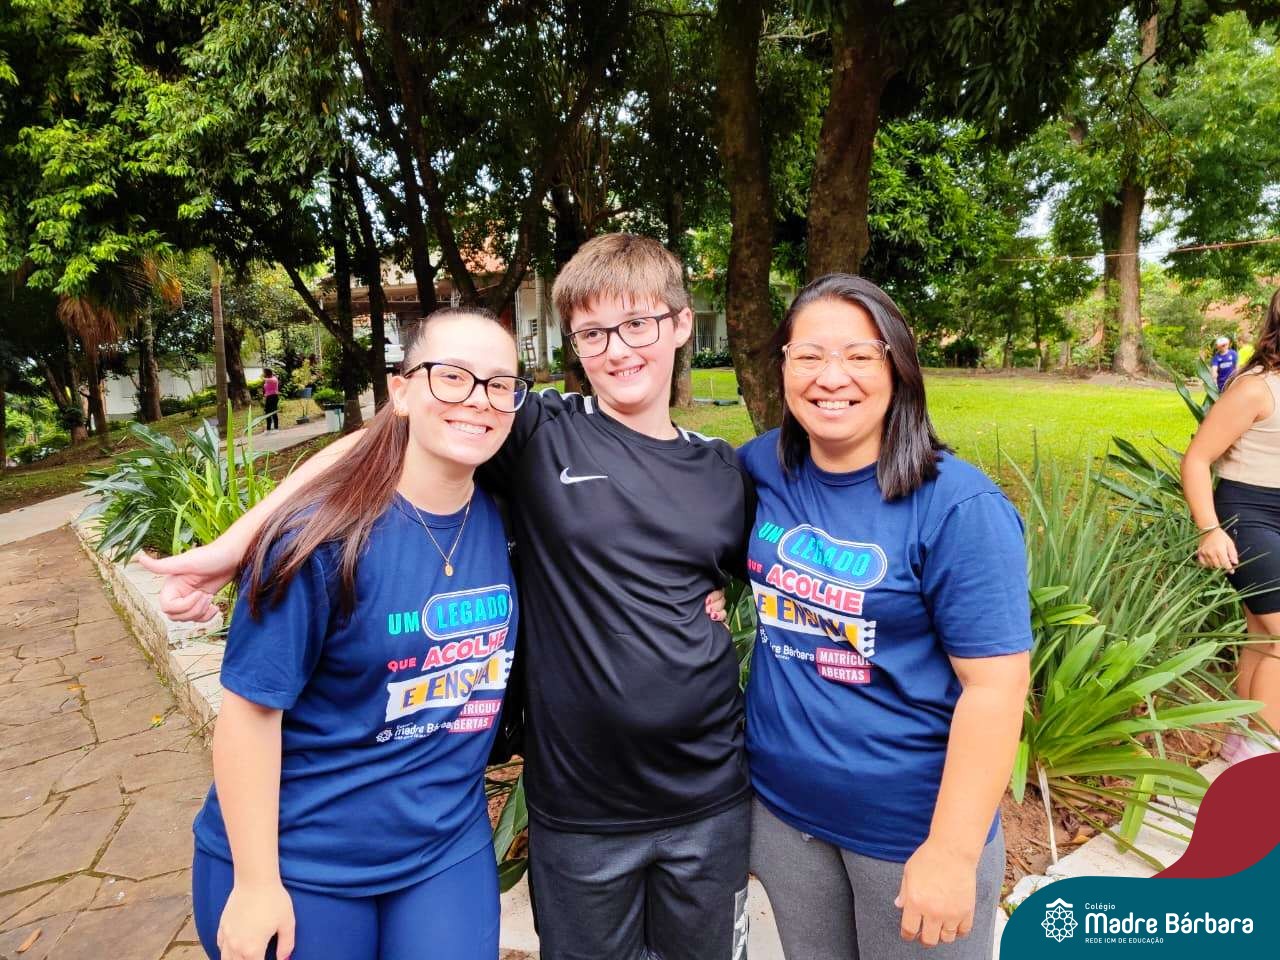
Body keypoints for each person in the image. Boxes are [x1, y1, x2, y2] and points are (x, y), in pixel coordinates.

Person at [142, 234, 753, 960]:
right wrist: (233, 547)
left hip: (696, 792)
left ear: (681, 324)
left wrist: (709, 608)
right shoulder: (539, 433)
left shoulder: (727, 472)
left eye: (639, 324)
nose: (618, 349)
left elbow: (751, 568)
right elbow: (376, 444)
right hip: (574, 807)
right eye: (593, 332)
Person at [190, 308, 526, 960]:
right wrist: (256, 884)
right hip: (301, 856)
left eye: (499, 384)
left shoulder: (509, 516)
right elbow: (249, 715)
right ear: (400, 392)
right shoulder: (320, 540)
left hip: (443, 848)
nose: (478, 399)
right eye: (451, 376)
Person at [737, 274, 1031, 959]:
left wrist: (952, 852)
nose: (830, 377)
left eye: (859, 355)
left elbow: (995, 688)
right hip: (785, 815)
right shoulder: (760, 468)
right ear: (783, 366)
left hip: (910, 830)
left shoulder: (958, 507)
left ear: (897, 367)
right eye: (808, 355)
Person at [1182, 291, 1280, 765]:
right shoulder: (1256, 388)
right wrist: (1209, 530)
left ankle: (1242, 745)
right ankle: (1266, 752)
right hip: (1249, 514)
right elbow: (1197, 460)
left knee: (1262, 636)